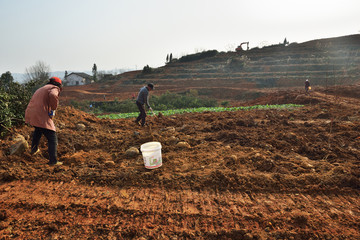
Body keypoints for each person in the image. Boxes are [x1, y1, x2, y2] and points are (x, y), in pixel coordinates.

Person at [25, 77, 63, 166]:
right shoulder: (54, 88)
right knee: (52, 137)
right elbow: (53, 96)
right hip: (40, 113)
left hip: (31, 111)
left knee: (38, 129)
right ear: (58, 85)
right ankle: (53, 161)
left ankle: (34, 150)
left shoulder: (42, 88)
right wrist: (54, 108)